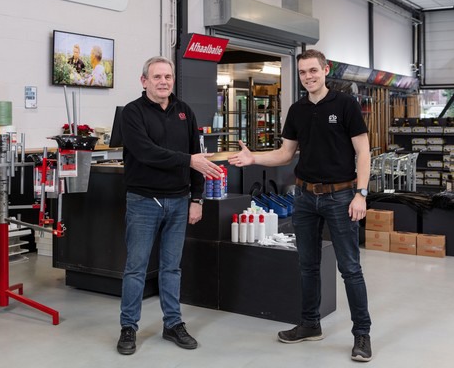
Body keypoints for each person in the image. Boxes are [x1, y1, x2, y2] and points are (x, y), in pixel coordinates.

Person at [228, 49, 373, 362]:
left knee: (350, 268)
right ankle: (310, 324)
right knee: (307, 264)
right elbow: (285, 154)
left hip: (341, 196)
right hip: (304, 197)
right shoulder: (297, 110)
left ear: (325, 70)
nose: (308, 77)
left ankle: (362, 334)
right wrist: (253, 158)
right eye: (303, 72)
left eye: (313, 70)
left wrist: (361, 194)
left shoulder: (345, 104)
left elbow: (363, 152)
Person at [116, 56, 223, 355]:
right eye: (157, 77)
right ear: (144, 81)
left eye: (168, 77)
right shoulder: (132, 113)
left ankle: (173, 324)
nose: (163, 82)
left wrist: (197, 199)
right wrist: (189, 161)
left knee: (171, 268)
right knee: (136, 269)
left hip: (179, 202)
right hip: (143, 202)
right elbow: (146, 152)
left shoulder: (184, 111)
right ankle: (128, 327)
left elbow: (197, 159)